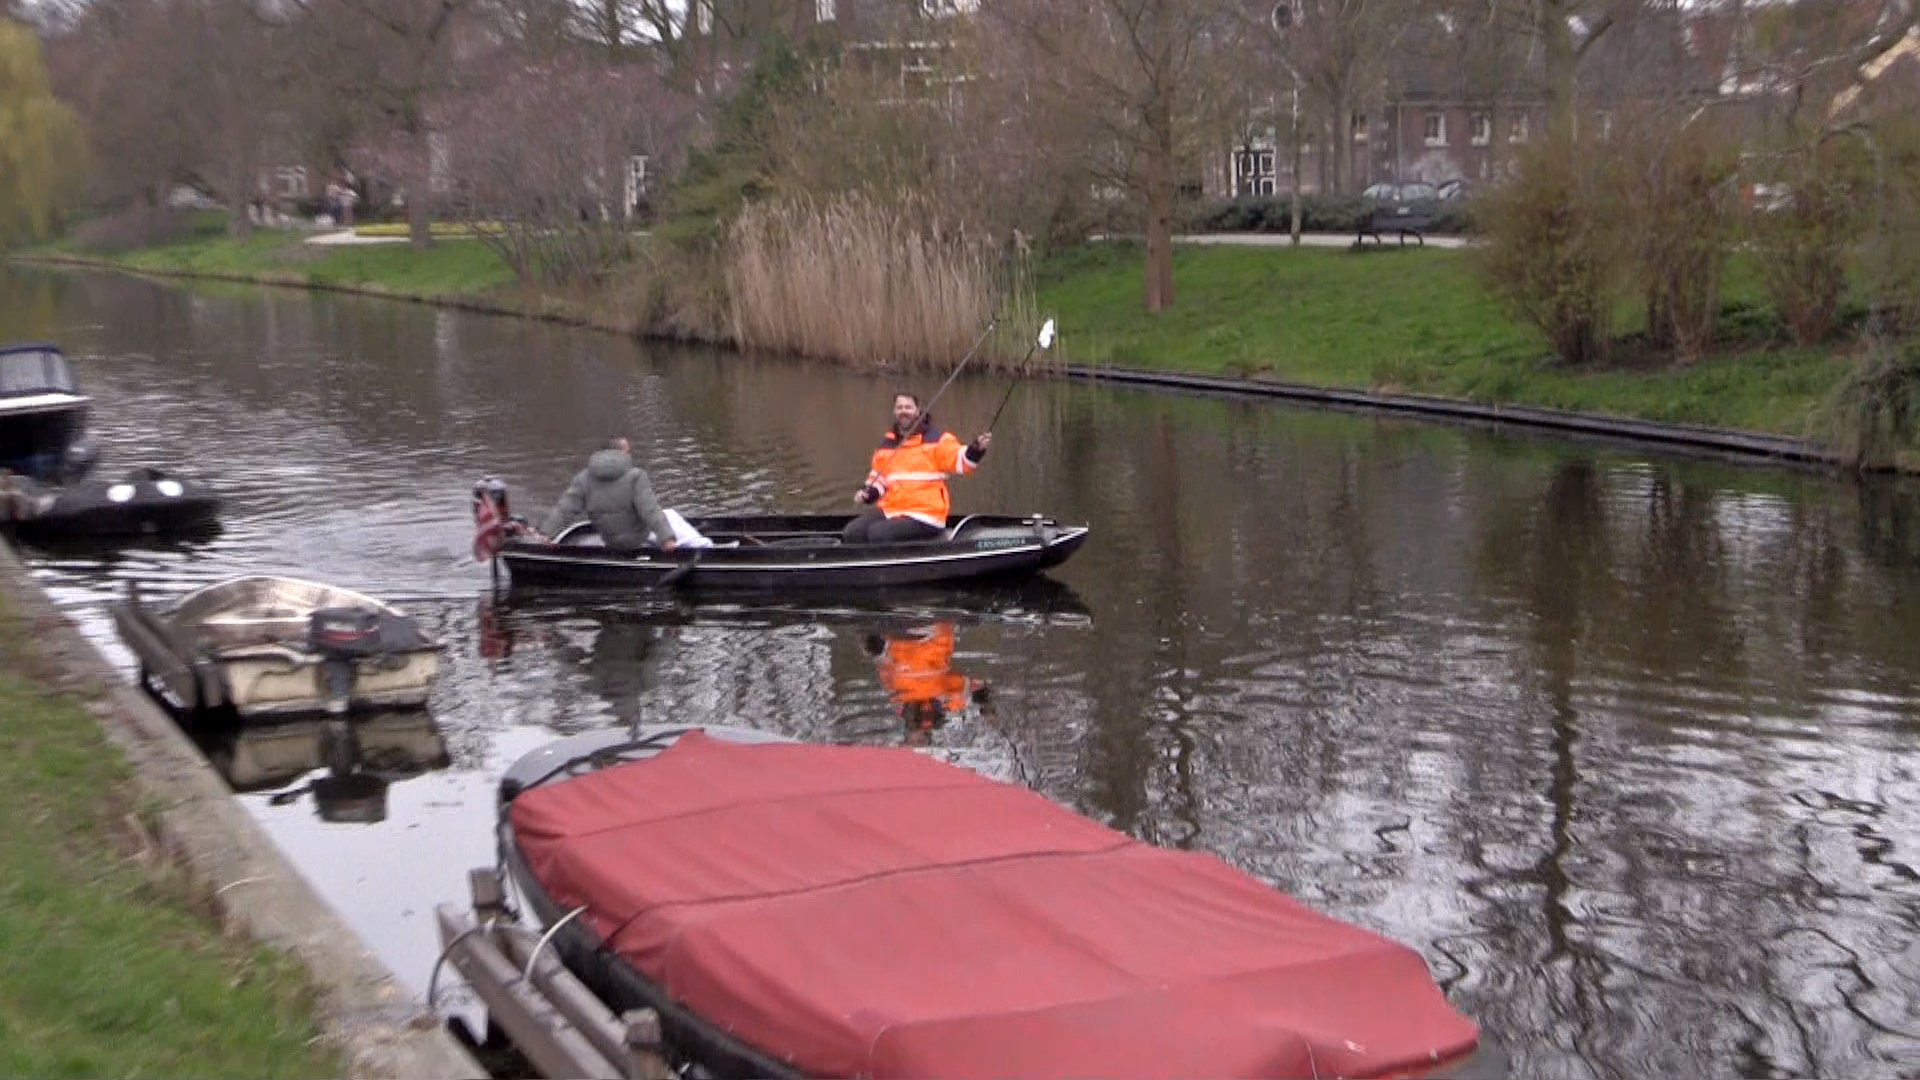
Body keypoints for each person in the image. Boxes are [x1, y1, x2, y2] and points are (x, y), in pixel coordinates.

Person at [842, 392, 991, 544]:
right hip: (893, 511)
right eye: (899, 407)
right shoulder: (887, 443)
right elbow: (879, 480)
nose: (903, 411)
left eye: (908, 407)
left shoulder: (938, 440)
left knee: (878, 534)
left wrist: (976, 449)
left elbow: (962, 462)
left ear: (918, 411)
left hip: (926, 515)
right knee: (852, 533)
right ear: (894, 412)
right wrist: (868, 494)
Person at [539, 437, 680, 552]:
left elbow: (564, 510)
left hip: (611, 541)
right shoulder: (636, 476)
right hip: (637, 542)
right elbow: (650, 510)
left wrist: (546, 535)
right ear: (622, 453)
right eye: (628, 451)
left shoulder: (583, 478)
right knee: (671, 515)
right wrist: (667, 539)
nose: (630, 455)